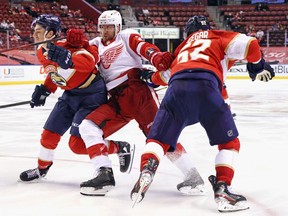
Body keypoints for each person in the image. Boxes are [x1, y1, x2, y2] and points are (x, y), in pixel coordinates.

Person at [130, 15, 275, 212]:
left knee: (157, 140)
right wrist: (256, 65)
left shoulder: (182, 48)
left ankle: (147, 169)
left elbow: (164, 76)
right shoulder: (216, 36)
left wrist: (149, 79)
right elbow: (251, 43)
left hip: (176, 88)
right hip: (207, 86)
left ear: (188, 33)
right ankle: (223, 188)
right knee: (229, 143)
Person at [67, 10, 205, 196]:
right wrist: (68, 45)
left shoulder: (126, 36)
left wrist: (156, 57)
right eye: (103, 26)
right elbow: (78, 53)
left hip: (138, 93)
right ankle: (104, 174)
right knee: (88, 127)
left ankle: (193, 176)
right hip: (116, 99)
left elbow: (143, 47)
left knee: (162, 138)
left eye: (109, 26)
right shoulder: (95, 44)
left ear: (117, 27)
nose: (105, 30)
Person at [19, 14, 134, 183]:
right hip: (70, 94)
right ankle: (41, 169)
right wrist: (45, 89)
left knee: (77, 144)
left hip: (92, 96)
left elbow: (90, 61)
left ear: (50, 33)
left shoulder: (69, 46)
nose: (34, 35)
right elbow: (54, 72)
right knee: (48, 135)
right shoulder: (40, 51)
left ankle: (120, 147)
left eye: (38, 31)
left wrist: (70, 58)